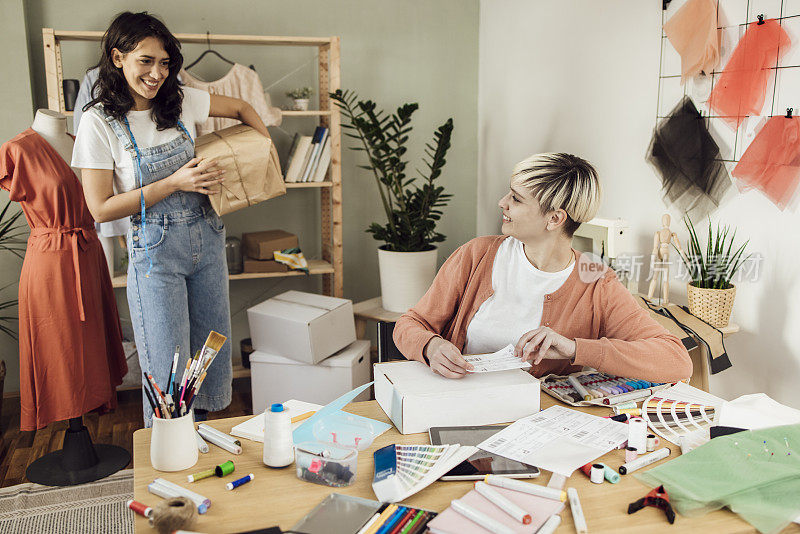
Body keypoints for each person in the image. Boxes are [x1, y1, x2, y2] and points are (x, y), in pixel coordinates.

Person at [72, 12, 270, 425]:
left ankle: (201, 456)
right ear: (117, 57)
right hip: (156, 258)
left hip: (208, 245)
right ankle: (170, 470)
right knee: (169, 374)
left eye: (164, 63)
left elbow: (243, 107)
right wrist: (176, 182)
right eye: (145, 61)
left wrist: (263, 151)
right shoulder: (98, 122)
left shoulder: (180, 100)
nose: (157, 73)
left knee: (209, 357)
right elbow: (101, 208)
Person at [393, 153, 692, 383]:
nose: (502, 203)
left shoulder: (597, 283)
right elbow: (409, 325)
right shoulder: (476, 255)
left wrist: (575, 349)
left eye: (516, 198)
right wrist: (430, 346)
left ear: (554, 219)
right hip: (457, 406)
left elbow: (676, 359)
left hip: (534, 427)